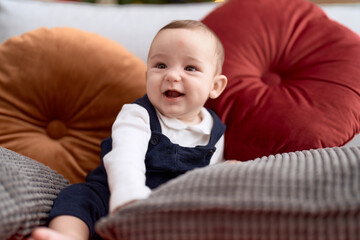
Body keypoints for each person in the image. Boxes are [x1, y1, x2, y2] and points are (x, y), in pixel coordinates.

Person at [30, 19, 228, 240]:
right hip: (114, 193)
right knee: (76, 198)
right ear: (147, 77)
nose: (172, 75)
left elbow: (209, 179)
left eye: (190, 68)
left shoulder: (214, 130)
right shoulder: (138, 115)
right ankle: (67, 236)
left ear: (215, 86)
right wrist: (131, 202)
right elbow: (125, 159)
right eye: (160, 65)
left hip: (169, 209)